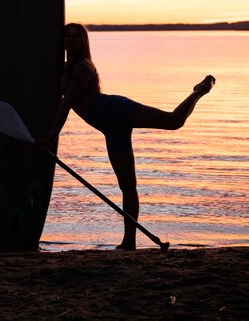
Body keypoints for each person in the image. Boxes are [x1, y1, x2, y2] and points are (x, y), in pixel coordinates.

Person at [39, 22, 215, 250]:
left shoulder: (82, 67)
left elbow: (66, 103)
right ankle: (129, 241)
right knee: (127, 186)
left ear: (83, 42)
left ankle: (200, 90)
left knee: (173, 122)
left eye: (76, 36)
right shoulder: (64, 67)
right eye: (67, 36)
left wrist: (52, 134)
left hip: (117, 110)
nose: (70, 39)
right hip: (111, 129)